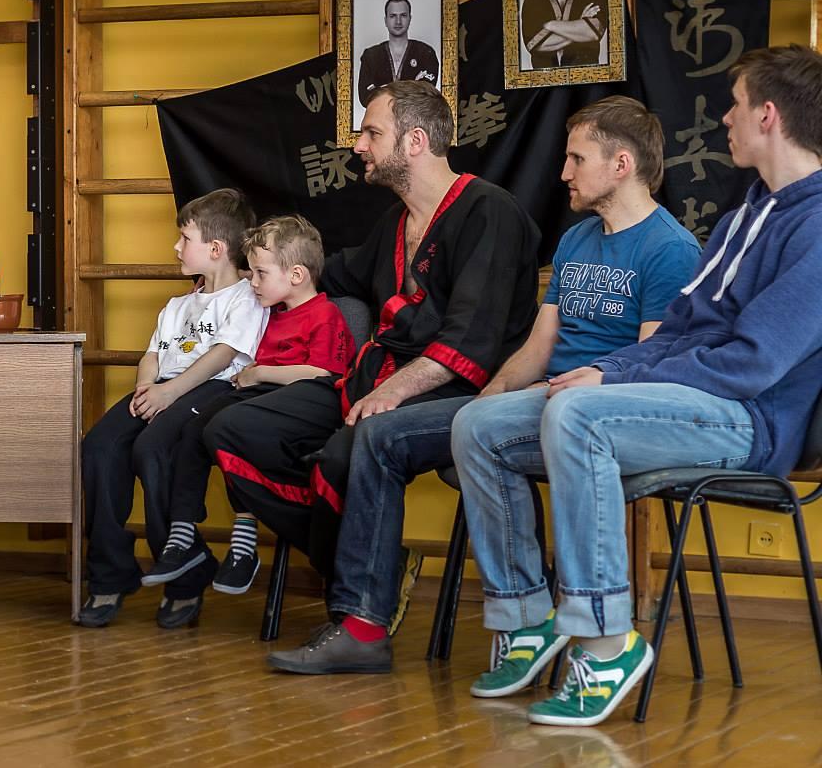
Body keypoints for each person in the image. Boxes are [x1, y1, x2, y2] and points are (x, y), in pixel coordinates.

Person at [451, 47, 822, 726]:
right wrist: (616, 369)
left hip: (749, 419)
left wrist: (611, 377)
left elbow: (751, 363)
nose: (726, 118)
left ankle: (604, 643)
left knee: (578, 414)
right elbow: (682, 329)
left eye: (737, 104)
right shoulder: (746, 213)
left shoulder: (817, 224)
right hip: (694, 399)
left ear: (769, 115)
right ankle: (527, 619)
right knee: (480, 426)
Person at [271, 96, 698, 676]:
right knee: (383, 433)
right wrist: (485, 402)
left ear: (621, 164)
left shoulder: (670, 249)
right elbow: (537, 350)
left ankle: (526, 622)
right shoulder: (576, 240)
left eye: (576, 159)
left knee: (405, 436)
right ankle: (368, 626)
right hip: (533, 403)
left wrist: (536, 403)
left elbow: (648, 364)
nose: (563, 172)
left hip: (592, 416)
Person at [204, 81, 540, 670]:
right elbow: (329, 274)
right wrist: (248, 280)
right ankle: (369, 559)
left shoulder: (490, 212)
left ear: (415, 141)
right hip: (372, 382)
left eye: (371, 133)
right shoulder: (394, 223)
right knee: (232, 429)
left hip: (458, 393)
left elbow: (471, 341)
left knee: (351, 449)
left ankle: (359, 623)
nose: (358, 145)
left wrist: (390, 392)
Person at [75, 190, 266, 629]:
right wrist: (146, 388)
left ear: (215, 249)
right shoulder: (177, 305)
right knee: (100, 448)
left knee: (154, 451)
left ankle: (184, 572)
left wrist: (171, 393)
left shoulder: (245, 297)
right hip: (162, 387)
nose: (176, 246)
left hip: (210, 389)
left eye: (185, 238)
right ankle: (110, 574)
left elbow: (223, 355)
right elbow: (153, 354)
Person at [201, 215, 357, 598]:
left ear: (297, 275)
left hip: (312, 401)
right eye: (251, 272)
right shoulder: (269, 312)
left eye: (261, 273)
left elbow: (322, 373)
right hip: (264, 403)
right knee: (211, 427)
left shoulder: (325, 314)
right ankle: (289, 531)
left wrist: (260, 374)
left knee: (227, 427)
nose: (252, 282)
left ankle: (320, 539)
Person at [355, 0, 440, 101]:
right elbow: (365, 96)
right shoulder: (371, 56)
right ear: (386, 20)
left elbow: (427, 92)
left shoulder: (425, 53)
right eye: (393, 16)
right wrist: (412, 86)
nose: (398, 21)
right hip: (381, 111)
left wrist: (383, 89)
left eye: (403, 15)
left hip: (414, 111)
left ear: (410, 19)